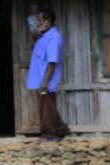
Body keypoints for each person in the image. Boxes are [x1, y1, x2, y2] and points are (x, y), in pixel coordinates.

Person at [26, 7, 70, 143]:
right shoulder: (43, 37)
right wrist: (35, 36)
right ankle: (62, 130)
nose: (37, 23)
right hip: (39, 78)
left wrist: (45, 81)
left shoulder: (53, 37)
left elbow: (52, 61)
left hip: (46, 80)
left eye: (40, 20)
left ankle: (49, 134)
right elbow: (34, 49)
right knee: (47, 106)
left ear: (48, 22)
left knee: (47, 107)